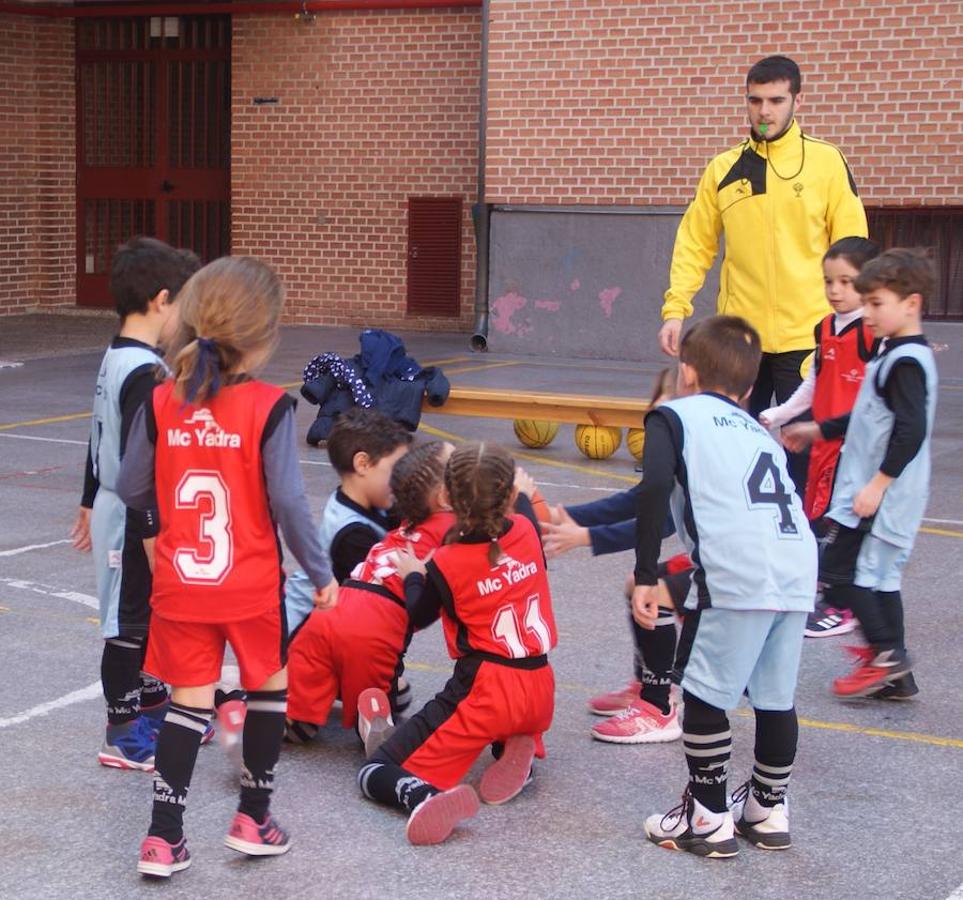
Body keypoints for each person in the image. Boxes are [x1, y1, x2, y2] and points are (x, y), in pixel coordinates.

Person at [116, 256, 338, 878]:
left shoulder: (162, 400)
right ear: (263, 338)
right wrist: (320, 575)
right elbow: (290, 504)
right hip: (248, 586)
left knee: (188, 703)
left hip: (182, 586)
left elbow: (131, 487)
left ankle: (163, 838)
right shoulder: (268, 407)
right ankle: (253, 818)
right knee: (267, 687)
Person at [636, 316, 817, 858]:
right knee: (775, 697)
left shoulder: (674, 415)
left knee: (704, 695)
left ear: (687, 371)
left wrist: (647, 573)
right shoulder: (756, 431)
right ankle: (767, 809)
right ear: (746, 385)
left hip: (737, 569)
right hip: (796, 563)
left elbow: (652, 491)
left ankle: (709, 817)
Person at [658, 55, 867, 490]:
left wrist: (854, 324)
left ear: (796, 100)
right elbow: (695, 243)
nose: (765, 111)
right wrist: (676, 308)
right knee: (733, 456)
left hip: (805, 339)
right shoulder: (724, 168)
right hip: (741, 341)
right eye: (755, 101)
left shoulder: (827, 163)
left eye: (775, 100)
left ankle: (804, 550)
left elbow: (852, 248)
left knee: (803, 463)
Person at [357, 443, 557, 846]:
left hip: (486, 693)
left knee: (374, 770)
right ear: (508, 495)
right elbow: (519, 511)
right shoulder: (527, 529)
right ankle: (519, 747)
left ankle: (424, 796)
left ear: (447, 499)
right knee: (510, 713)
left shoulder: (445, 563)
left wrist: (414, 574)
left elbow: (419, 615)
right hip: (540, 688)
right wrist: (520, 493)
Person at [783, 249, 937, 700]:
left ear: (910, 304)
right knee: (880, 577)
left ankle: (888, 654)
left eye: (876, 304)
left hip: (880, 493)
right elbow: (870, 417)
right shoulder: (895, 351)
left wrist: (878, 484)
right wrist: (819, 428)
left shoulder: (906, 361)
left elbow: (911, 431)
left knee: (840, 571)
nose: (867, 313)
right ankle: (896, 672)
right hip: (878, 491)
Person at [70, 236, 199, 771]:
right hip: (130, 513)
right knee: (126, 623)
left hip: (114, 504)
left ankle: (147, 700)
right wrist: (150, 534)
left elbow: (100, 432)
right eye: (182, 307)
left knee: (143, 613)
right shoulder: (146, 374)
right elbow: (136, 462)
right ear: (162, 300)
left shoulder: (118, 354)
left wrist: (85, 500)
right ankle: (121, 730)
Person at [541, 368, 693, 744]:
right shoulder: (674, 457)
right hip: (716, 562)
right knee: (637, 585)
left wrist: (585, 537)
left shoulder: (694, 462)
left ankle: (660, 705)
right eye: (655, 409)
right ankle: (648, 685)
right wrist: (574, 517)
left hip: (736, 570)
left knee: (653, 591)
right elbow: (635, 501)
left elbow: (659, 526)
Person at [285, 441, 455, 750]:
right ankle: (374, 716)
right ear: (444, 497)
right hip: (375, 623)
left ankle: (275, 722)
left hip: (329, 613)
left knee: (303, 708)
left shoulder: (406, 524)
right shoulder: (454, 527)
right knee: (388, 694)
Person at [760, 236, 881, 638]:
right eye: (829, 281)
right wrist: (780, 413)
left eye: (846, 282)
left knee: (842, 524)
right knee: (815, 517)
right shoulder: (825, 327)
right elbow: (816, 381)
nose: (835, 291)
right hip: (822, 442)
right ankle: (821, 588)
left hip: (856, 446)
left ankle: (841, 604)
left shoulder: (873, 333)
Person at [284, 407, 412, 635]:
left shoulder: (367, 499)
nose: (403, 480)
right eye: (396, 469)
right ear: (362, 464)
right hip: (300, 635)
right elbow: (381, 601)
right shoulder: (351, 535)